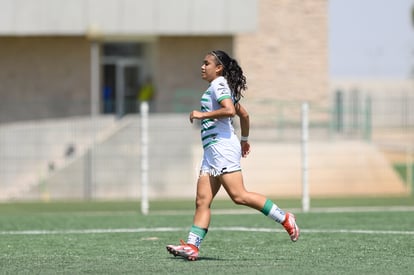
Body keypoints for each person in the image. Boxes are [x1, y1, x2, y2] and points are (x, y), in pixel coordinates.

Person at [166, 50, 300, 261]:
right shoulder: (218, 87)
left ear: (218, 68)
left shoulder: (219, 84)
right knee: (202, 201)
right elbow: (243, 114)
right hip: (212, 151)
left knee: (239, 196)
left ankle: (285, 218)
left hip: (222, 148)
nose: (202, 67)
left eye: (207, 63)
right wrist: (245, 140)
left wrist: (202, 114)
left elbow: (230, 111)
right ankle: (192, 246)